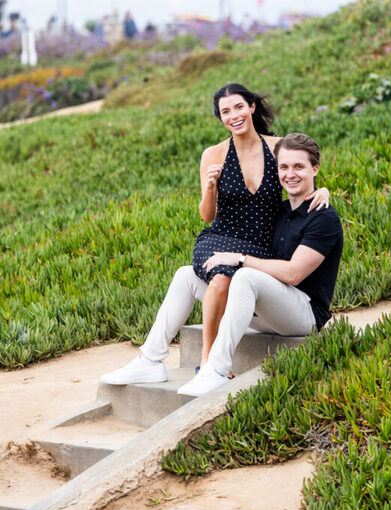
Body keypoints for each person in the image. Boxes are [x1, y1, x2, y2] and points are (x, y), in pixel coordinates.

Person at [100, 85, 330, 386]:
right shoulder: (214, 154)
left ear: (251, 107)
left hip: (261, 246)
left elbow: (299, 175)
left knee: (222, 278)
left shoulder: (276, 147)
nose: (233, 115)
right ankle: (151, 360)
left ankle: (210, 364)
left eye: (238, 107)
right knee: (203, 276)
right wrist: (210, 188)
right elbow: (207, 215)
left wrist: (324, 189)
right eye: (225, 111)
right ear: (220, 117)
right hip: (221, 237)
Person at [177, 133, 343, 396]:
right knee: (186, 275)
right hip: (270, 310)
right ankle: (150, 357)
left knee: (244, 277)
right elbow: (217, 214)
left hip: (304, 315)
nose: (290, 174)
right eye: (284, 167)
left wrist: (242, 260)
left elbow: (293, 274)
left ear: (315, 168)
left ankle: (216, 370)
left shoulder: (324, 218)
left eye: (299, 167)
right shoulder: (282, 210)